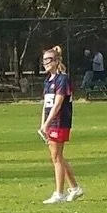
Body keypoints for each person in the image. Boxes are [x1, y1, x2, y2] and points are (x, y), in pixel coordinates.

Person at [41, 45, 84, 204]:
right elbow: (46, 104)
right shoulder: (48, 80)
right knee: (57, 157)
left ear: (56, 60)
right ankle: (75, 188)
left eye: (48, 60)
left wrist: (48, 123)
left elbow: (58, 104)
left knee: (57, 157)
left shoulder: (62, 79)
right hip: (51, 122)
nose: (45, 63)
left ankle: (59, 193)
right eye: (44, 60)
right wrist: (42, 124)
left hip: (60, 122)